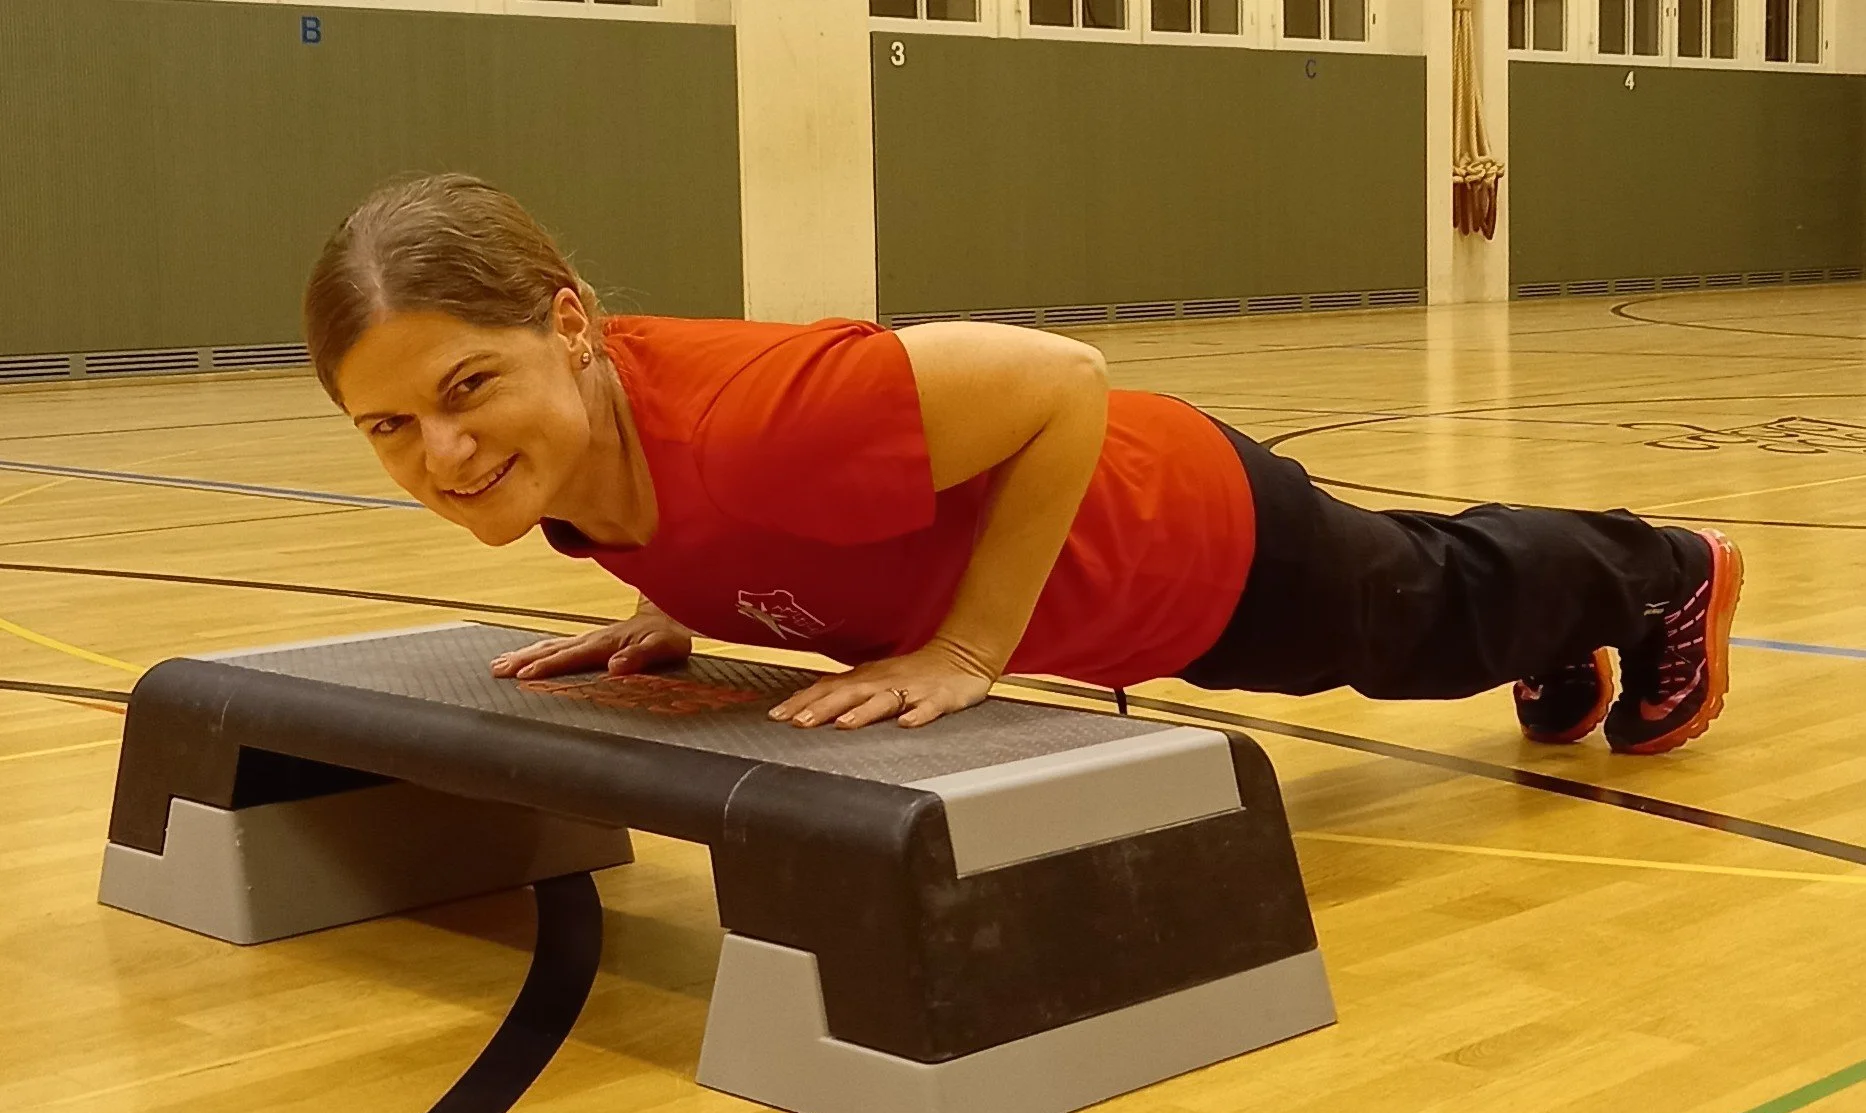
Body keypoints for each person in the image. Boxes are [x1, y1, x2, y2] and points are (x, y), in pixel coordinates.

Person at [303, 175, 1743, 754]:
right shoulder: (578, 459)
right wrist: (672, 599)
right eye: (390, 427)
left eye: (468, 388)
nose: (446, 453)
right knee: (1430, 598)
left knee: (1420, 627)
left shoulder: (761, 422)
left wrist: (969, 649)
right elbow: (701, 507)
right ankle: (1563, 615)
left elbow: (1062, 380)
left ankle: (1665, 572)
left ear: (569, 327)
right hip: (1126, 578)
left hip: (1175, 535)